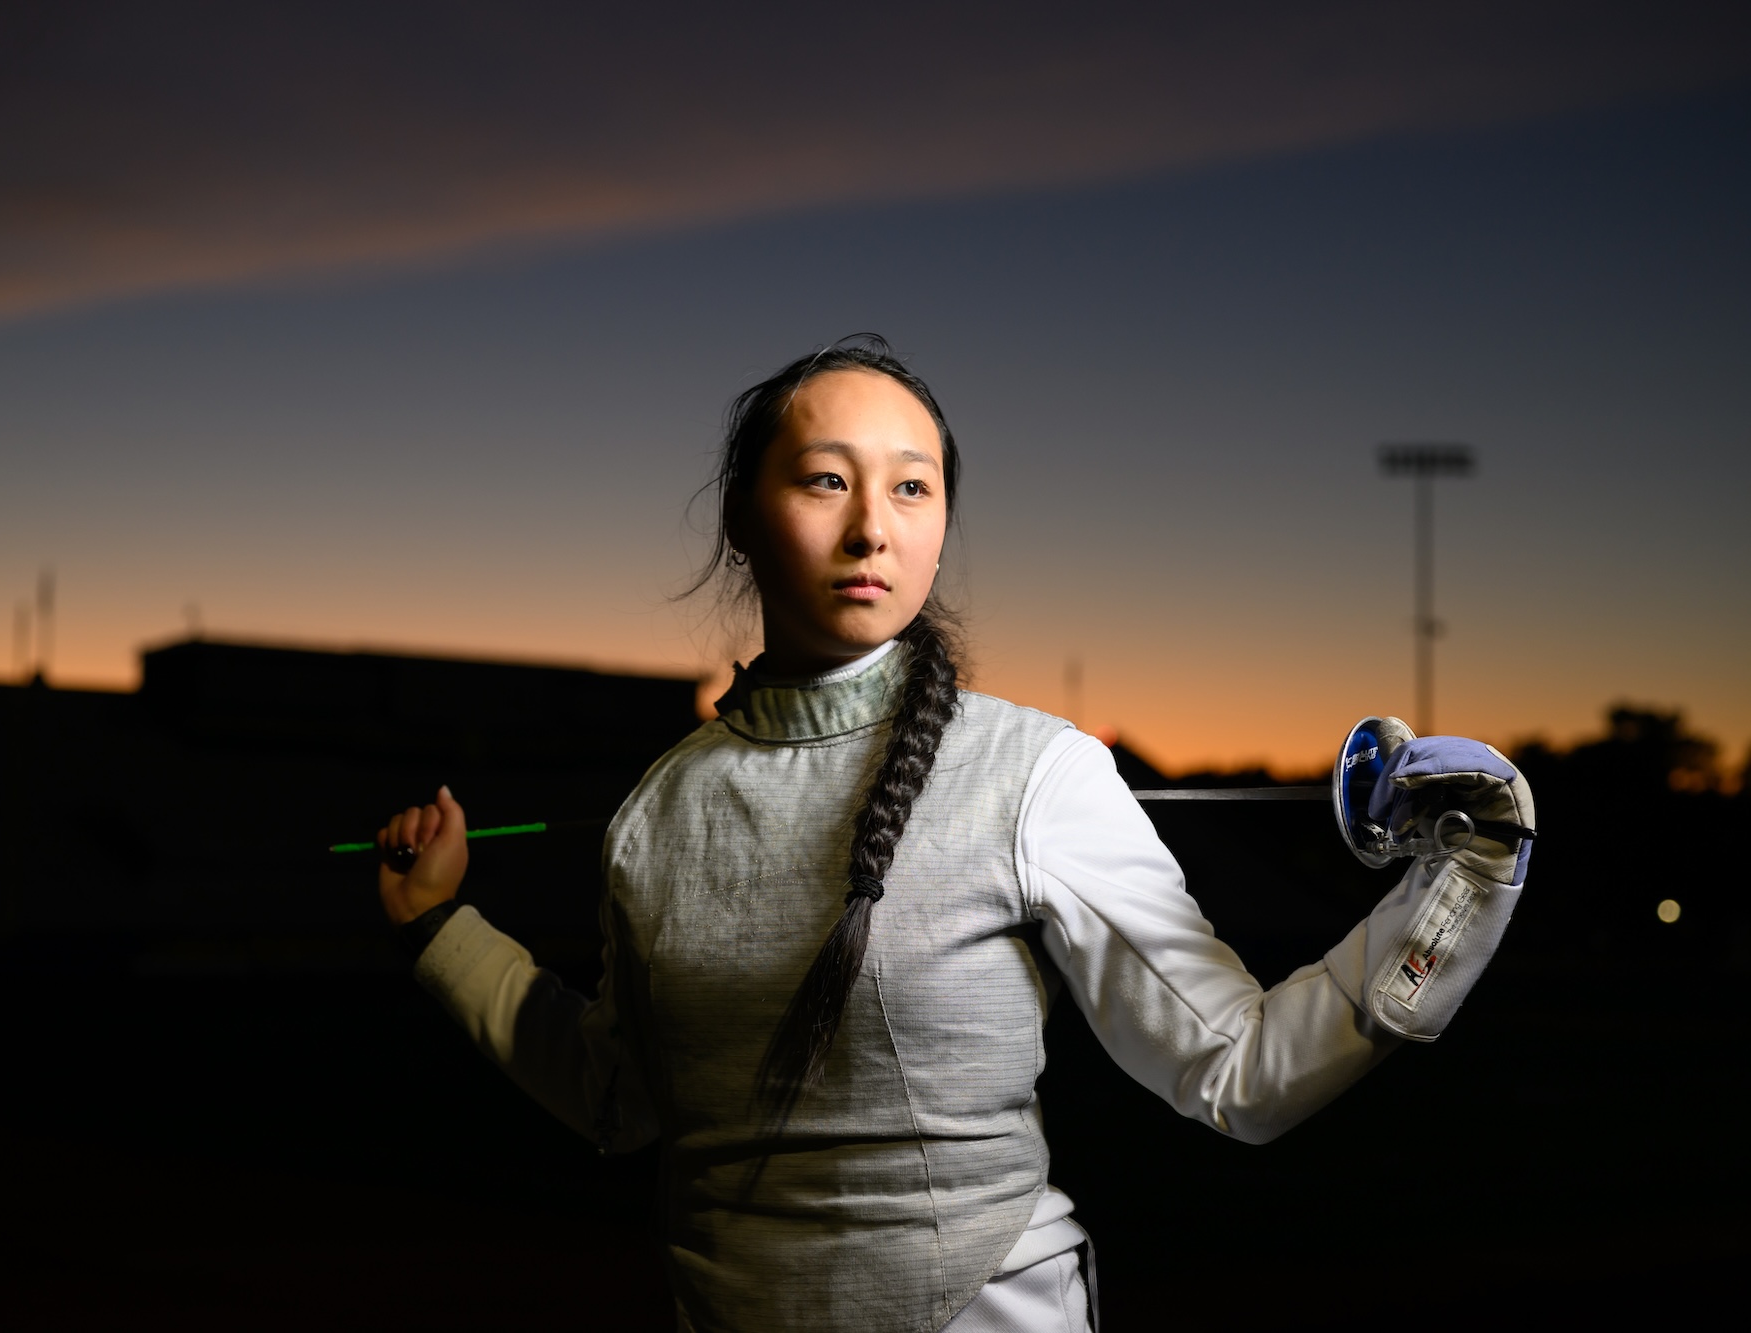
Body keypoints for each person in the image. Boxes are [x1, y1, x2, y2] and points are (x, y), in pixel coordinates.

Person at [374, 337, 1535, 1333]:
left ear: (941, 525)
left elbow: (1236, 1072)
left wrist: (1463, 878)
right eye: (825, 480)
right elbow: (620, 1096)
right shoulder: (654, 813)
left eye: (912, 489)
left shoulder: (1035, 772)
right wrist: (442, 929)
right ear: (741, 515)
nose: (870, 528)